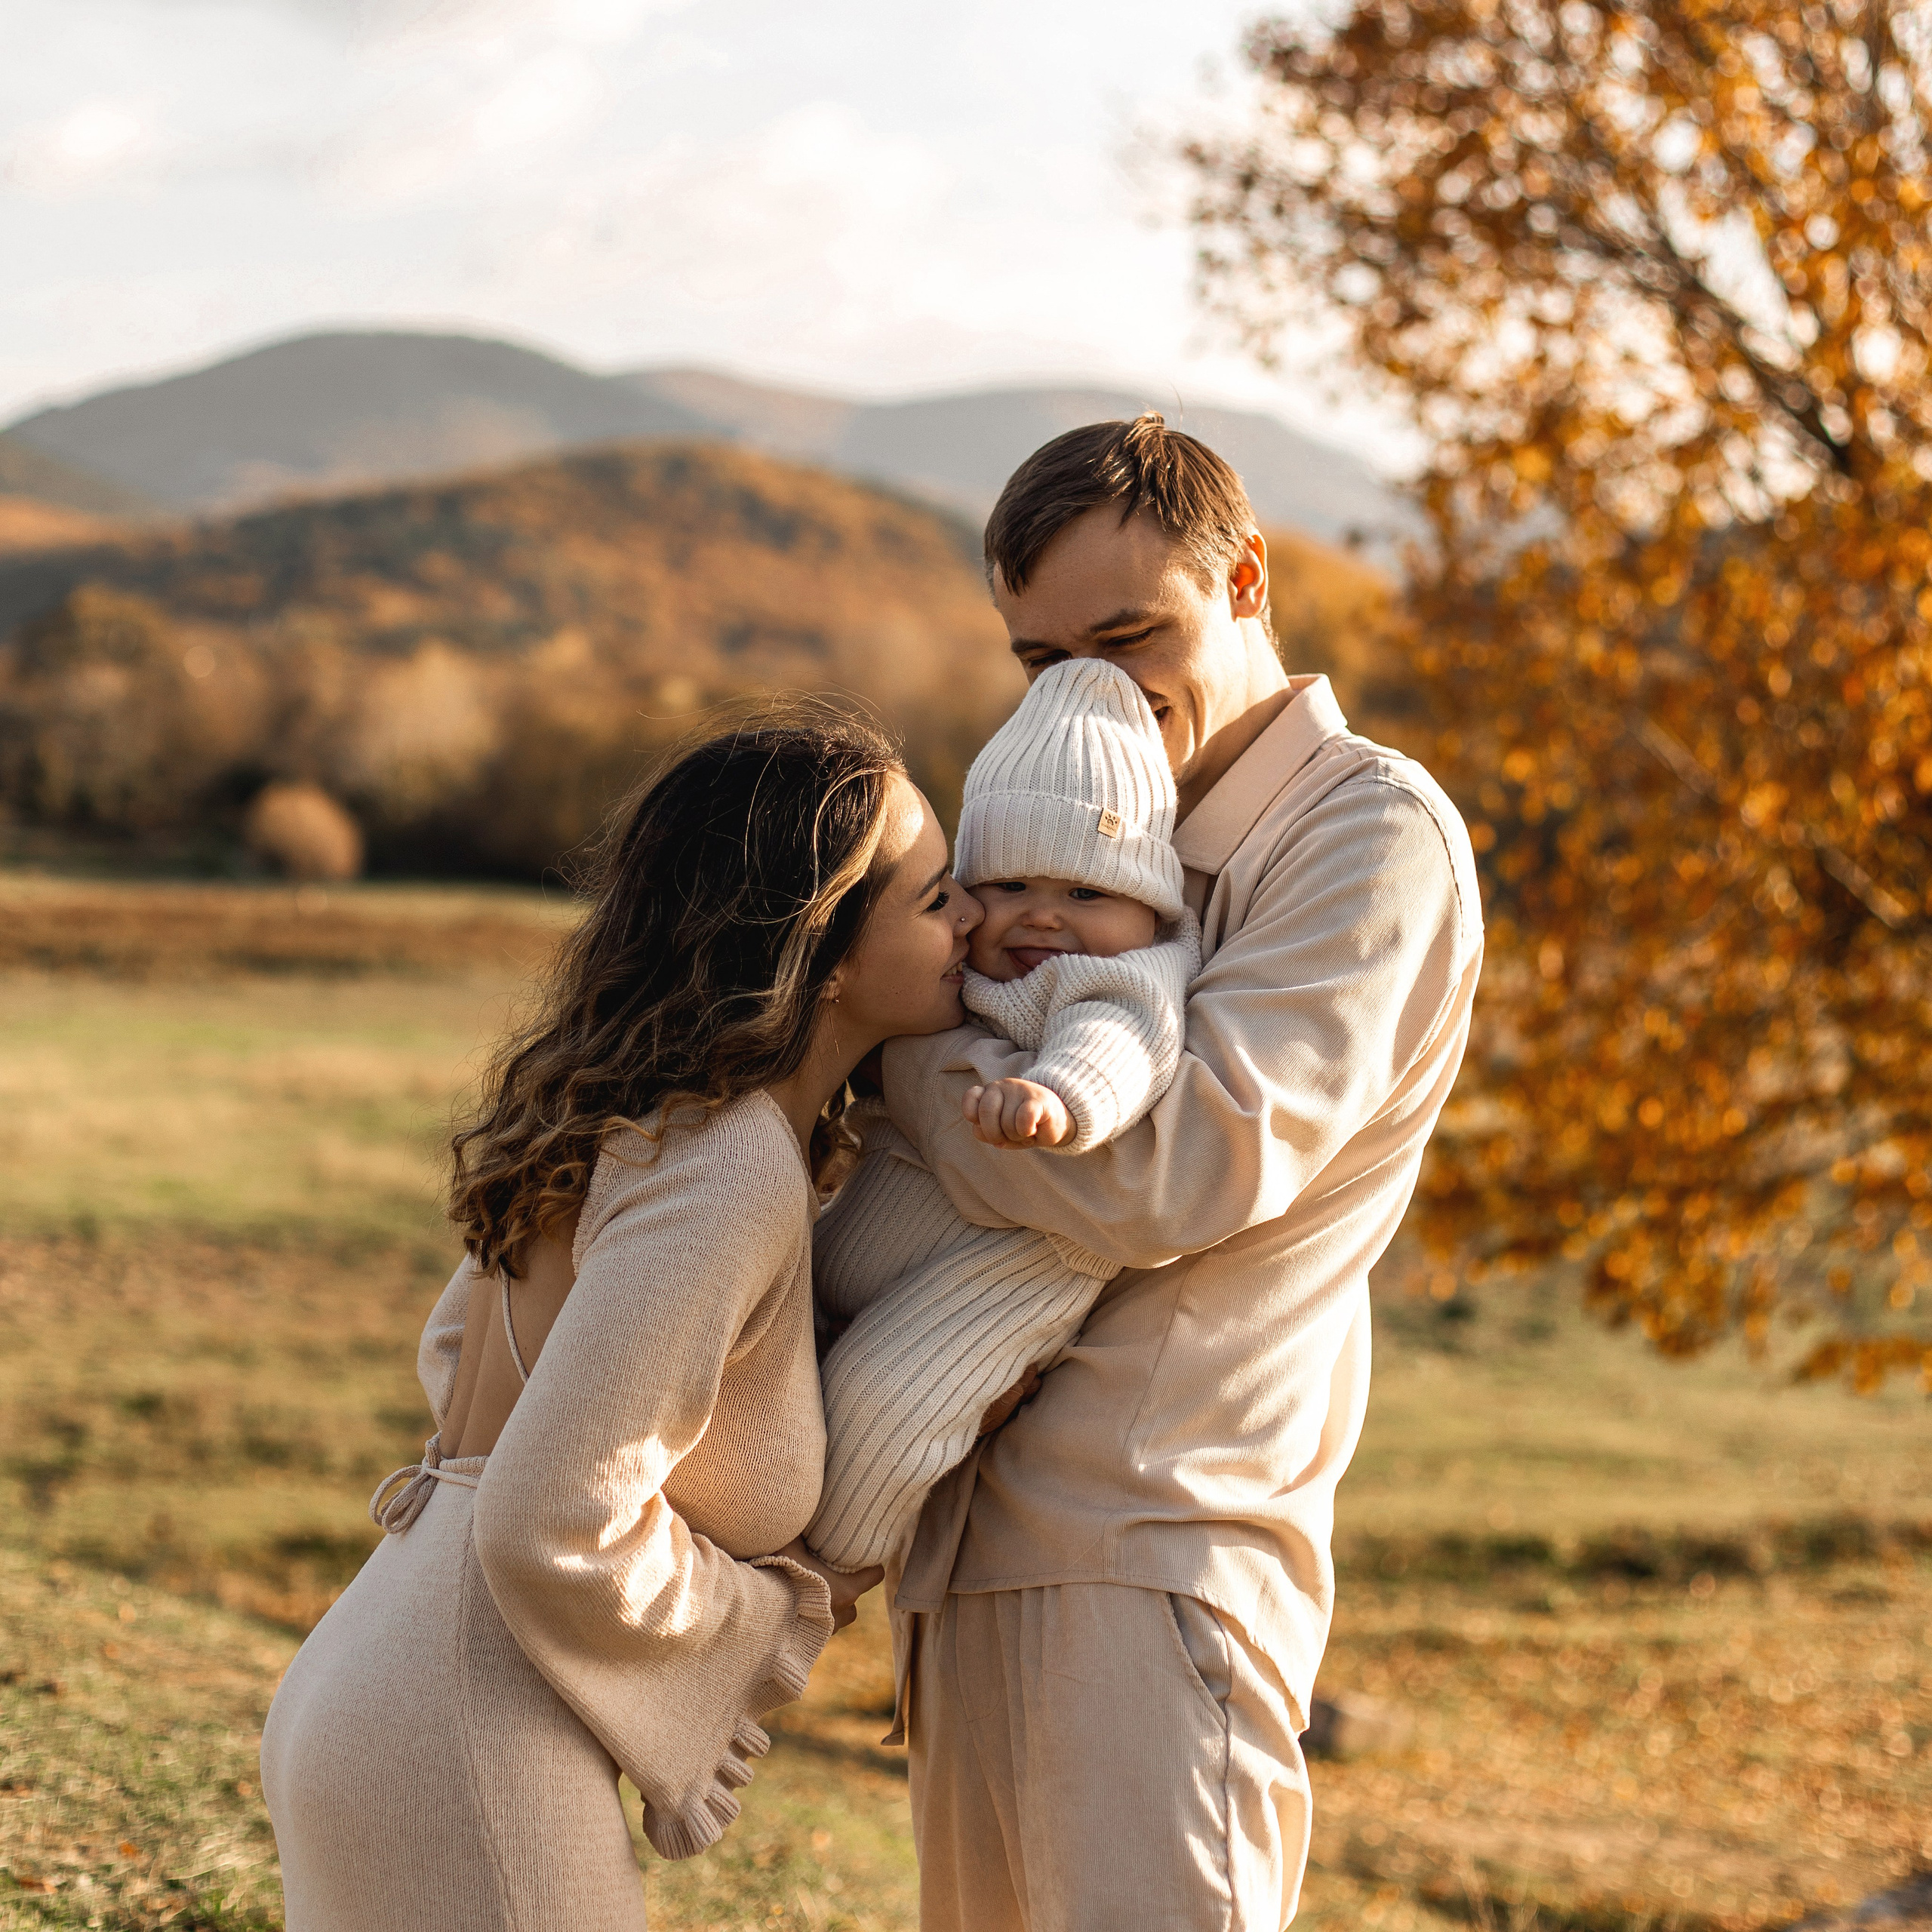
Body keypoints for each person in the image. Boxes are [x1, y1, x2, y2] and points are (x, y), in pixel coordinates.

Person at [878, 416, 1484, 1931]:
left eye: (1128, 632)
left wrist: (902, 1054)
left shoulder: (1364, 830)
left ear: (1248, 579)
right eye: (1038, 659)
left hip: (1159, 1542)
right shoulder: (1062, 831)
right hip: (973, 1537)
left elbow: (1162, 1171)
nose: (1087, 687)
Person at [259, 709, 980, 1932]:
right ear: (827, 952)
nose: (971, 921)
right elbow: (551, 1517)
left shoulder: (669, 1122)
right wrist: (767, 1622)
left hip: (384, 1672)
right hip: (463, 1732)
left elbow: (460, 1361)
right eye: (936, 897)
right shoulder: (731, 1166)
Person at [808, 654, 1200, 1575]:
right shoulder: (970, 962)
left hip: (1013, 1258)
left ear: (1146, 905)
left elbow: (1122, 1044)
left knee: (888, 1401)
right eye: (1014, 885)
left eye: (1086, 893)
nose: (1043, 919)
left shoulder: (1125, 975)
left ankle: (825, 1573)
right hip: (887, 1216)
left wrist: (1057, 1097)